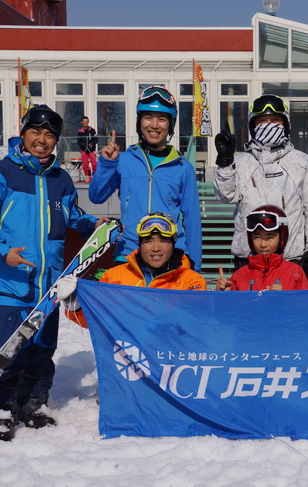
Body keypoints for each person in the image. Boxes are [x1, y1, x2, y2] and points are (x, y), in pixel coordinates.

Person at [0, 104, 101, 441]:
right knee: (6, 351)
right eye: (36, 132)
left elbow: (73, 216)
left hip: (48, 285)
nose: (42, 140)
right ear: (23, 134)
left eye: (50, 135)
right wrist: (2, 251)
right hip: (10, 284)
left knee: (41, 349)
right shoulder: (1, 174)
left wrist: (93, 226)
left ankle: (32, 403)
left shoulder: (60, 178)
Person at [89, 86, 202, 271]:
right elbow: (96, 196)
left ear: (171, 124)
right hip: (129, 254)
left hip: (169, 256)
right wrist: (107, 164)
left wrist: (194, 265)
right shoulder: (123, 160)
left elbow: (192, 221)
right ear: (139, 122)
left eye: (162, 119)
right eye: (148, 117)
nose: (155, 125)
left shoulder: (182, 167)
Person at [213, 94, 308, 278]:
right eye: (262, 121)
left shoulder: (300, 161)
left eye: (274, 120)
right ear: (252, 126)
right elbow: (225, 196)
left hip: (289, 260)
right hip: (248, 260)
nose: (268, 124)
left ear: (286, 124)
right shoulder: (242, 162)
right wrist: (225, 162)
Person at [60, 212, 206, 327]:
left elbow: (199, 324)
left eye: (163, 241)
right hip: (125, 360)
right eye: (148, 241)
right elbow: (96, 321)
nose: (156, 248)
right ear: (140, 244)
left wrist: (223, 301)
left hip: (171, 359)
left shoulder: (191, 281)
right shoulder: (114, 277)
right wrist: (75, 304)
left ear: (173, 243)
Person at [216, 205, 308, 291]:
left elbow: (307, 306)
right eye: (257, 237)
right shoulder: (240, 275)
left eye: (270, 237)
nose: (263, 244)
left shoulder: (295, 272)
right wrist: (225, 293)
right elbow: (230, 307)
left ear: (281, 238)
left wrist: (284, 297)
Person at [77, 116, 98, 183]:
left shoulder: (92, 130)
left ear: (88, 122)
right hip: (84, 150)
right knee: (85, 164)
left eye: (87, 121)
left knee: (94, 164)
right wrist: (83, 145)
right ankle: (88, 176)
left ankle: (95, 176)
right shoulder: (80, 131)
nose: (86, 123)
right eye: (84, 121)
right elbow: (79, 141)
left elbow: (96, 139)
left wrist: (91, 144)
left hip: (92, 150)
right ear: (82, 122)